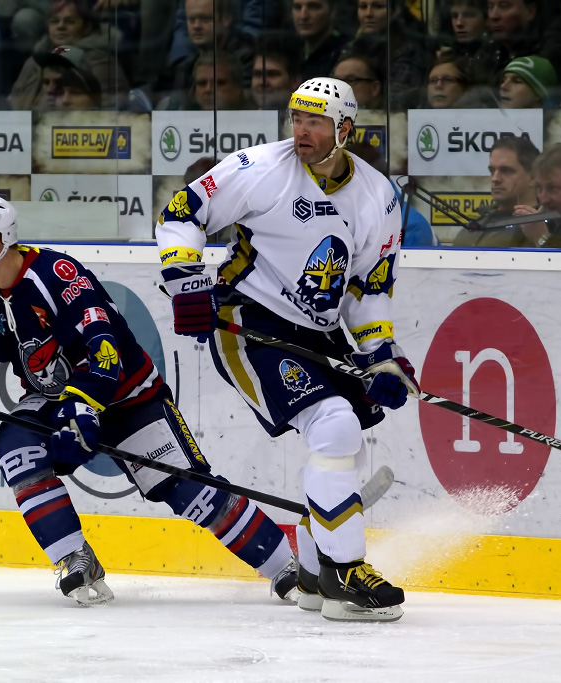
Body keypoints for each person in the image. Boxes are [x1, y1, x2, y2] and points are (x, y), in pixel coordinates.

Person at [0, 194, 299, 606]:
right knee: (17, 444)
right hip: (53, 398)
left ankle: (287, 567)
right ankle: (75, 558)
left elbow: (104, 348)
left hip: (129, 395)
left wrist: (82, 409)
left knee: (189, 491)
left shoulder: (57, 274)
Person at [155, 77, 414, 622]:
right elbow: (182, 212)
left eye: (315, 122)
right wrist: (186, 282)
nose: (301, 131)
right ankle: (346, 571)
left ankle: (318, 575)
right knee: (334, 424)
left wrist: (380, 356)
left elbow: (368, 287)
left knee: (345, 445)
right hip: (246, 320)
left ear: (345, 129)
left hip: (317, 331)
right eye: (297, 119)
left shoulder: (379, 197)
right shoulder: (260, 168)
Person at [452, 134, 538, 247]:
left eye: (506, 171)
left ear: (532, 177)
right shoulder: (476, 225)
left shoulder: (544, 227)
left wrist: (541, 239)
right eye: (492, 170)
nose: (495, 178)